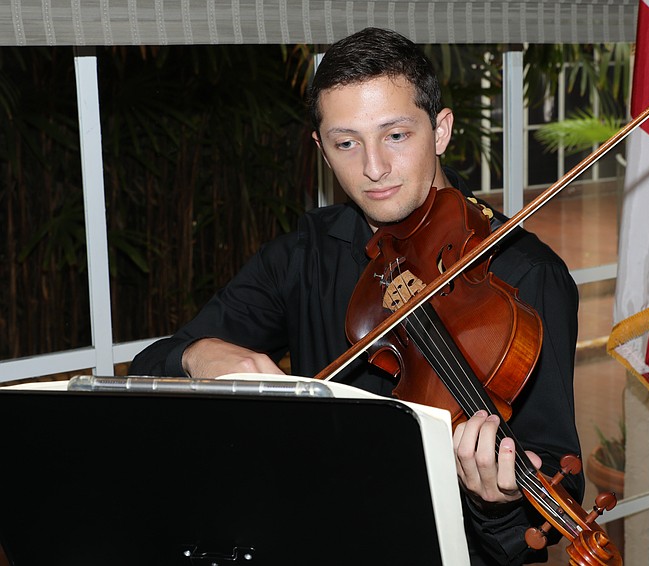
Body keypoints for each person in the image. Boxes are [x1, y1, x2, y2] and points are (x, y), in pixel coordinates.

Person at [130, 27, 582, 566]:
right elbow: (151, 365)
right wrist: (199, 355)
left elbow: (552, 493)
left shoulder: (523, 273)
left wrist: (498, 501)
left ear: (440, 130)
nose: (373, 168)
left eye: (396, 135)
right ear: (321, 149)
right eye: (347, 143)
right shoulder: (304, 254)